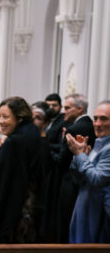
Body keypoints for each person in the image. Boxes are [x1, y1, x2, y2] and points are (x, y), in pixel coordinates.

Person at [0, 96, 44, 243]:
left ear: (19, 118)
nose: (0, 121)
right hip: (31, 207)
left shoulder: (14, 141)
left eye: (6, 117)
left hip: (14, 216)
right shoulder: (32, 132)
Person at [42, 93, 95, 241]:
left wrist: (46, 148)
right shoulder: (90, 125)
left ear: (79, 109)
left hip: (69, 181)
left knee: (65, 223)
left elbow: (61, 161)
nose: (63, 111)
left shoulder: (74, 129)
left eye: (67, 108)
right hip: (83, 181)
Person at [67, 101, 110, 243]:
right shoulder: (98, 144)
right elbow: (78, 180)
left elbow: (97, 180)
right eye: (95, 118)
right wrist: (79, 156)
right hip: (85, 208)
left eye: (104, 119)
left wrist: (80, 155)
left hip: (98, 215)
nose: (97, 124)